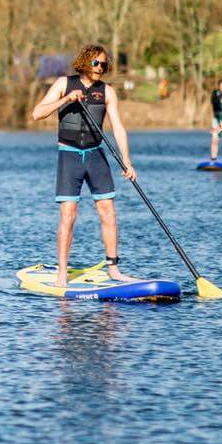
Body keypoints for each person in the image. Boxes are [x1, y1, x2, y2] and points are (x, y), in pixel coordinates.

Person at [31, 44, 138, 287]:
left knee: (108, 212)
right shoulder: (63, 84)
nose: (100, 68)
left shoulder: (107, 91)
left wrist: (127, 160)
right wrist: (66, 99)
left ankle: (114, 269)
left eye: (103, 64)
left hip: (95, 155)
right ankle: (62, 274)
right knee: (68, 216)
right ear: (84, 62)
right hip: (69, 155)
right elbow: (37, 113)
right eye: (96, 63)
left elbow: (118, 128)